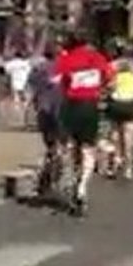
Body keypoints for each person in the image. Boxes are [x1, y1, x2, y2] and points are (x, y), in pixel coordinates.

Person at [52, 31, 112, 216]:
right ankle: (82, 187)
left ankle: (70, 180)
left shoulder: (66, 59)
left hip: (71, 106)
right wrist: (98, 89)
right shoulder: (96, 57)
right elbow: (109, 78)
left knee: (69, 146)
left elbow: (58, 83)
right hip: (90, 106)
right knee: (88, 149)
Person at [27, 46, 64, 199]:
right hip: (60, 111)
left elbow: (31, 86)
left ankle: (47, 179)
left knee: (50, 146)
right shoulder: (64, 68)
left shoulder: (37, 70)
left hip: (43, 111)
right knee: (60, 146)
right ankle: (50, 179)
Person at [105, 42, 133, 180]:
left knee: (115, 135)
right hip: (131, 103)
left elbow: (108, 85)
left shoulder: (112, 66)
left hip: (116, 103)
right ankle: (128, 168)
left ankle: (115, 163)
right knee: (129, 138)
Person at [3, 50, 32, 125]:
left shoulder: (11, 63)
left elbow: (5, 71)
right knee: (24, 100)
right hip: (24, 83)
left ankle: (18, 118)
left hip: (15, 84)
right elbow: (29, 72)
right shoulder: (25, 63)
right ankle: (24, 117)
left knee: (17, 100)